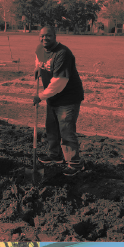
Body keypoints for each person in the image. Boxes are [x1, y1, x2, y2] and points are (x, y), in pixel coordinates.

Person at [33, 26, 84, 175]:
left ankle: (74, 163)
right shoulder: (40, 48)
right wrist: (37, 68)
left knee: (66, 130)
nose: (44, 38)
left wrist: (40, 96)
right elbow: (38, 58)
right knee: (51, 128)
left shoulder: (63, 53)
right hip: (53, 97)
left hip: (68, 97)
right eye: (42, 36)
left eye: (48, 36)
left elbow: (59, 82)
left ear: (55, 36)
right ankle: (55, 156)